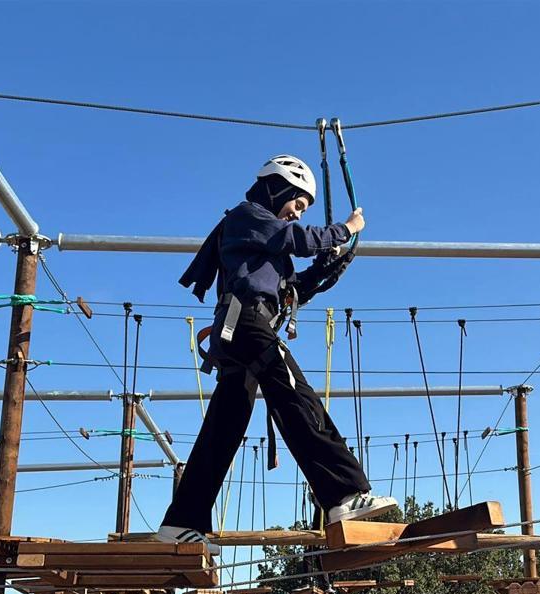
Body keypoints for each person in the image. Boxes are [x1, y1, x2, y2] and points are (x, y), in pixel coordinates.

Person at [157, 156, 397, 554]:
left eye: (301, 209)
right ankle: (343, 494)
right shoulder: (248, 215)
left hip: (243, 328)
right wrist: (347, 229)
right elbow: (298, 239)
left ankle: (181, 522)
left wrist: (330, 266)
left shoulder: (264, 246)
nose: (296, 213)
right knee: (296, 396)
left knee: (223, 429)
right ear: (277, 188)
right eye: (297, 204)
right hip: (245, 322)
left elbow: (294, 289)